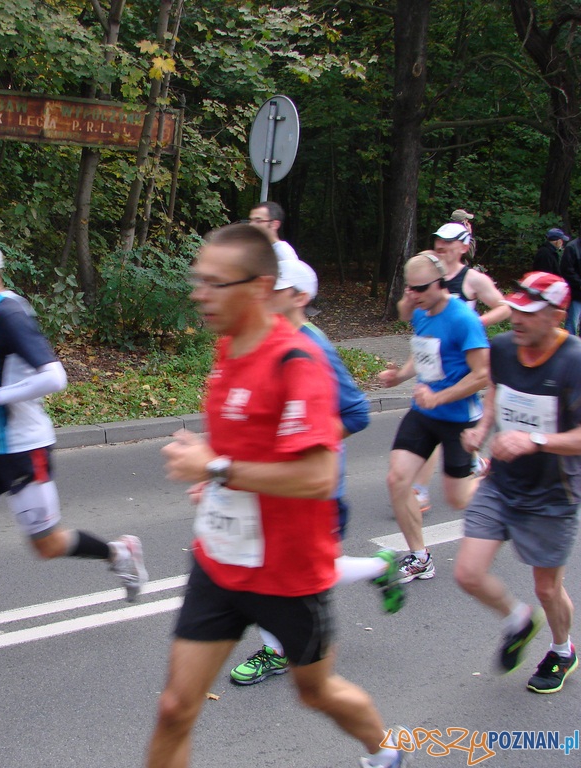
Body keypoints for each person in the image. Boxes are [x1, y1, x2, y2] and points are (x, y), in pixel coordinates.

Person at [146, 224, 407, 768]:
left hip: (288, 575)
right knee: (174, 708)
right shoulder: (226, 350)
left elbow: (316, 475)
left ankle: (385, 752)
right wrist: (214, 468)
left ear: (261, 288)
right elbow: (247, 438)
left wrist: (217, 467)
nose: (199, 293)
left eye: (215, 283)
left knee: (316, 692)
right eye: (199, 280)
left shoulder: (298, 362)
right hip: (220, 563)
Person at [0, 238, 147, 673]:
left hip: (23, 451)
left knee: (47, 545)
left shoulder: (9, 314)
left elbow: (55, 377)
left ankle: (119, 554)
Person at [228, 260, 404, 687]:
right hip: (278, 481)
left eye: (279, 290)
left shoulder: (314, 347)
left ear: (300, 297)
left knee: (283, 572)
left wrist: (301, 448)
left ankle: (279, 651)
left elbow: (356, 412)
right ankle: (379, 568)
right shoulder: (269, 338)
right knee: (285, 567)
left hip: (311, 486)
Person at [456, 271, 580, 694]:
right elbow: (495, 390)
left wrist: (534, 440)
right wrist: (482, 428)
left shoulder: (574, 362)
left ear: (558, 316)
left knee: (547, 586)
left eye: (530, 312)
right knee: (468, 572)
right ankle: (519, 620)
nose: (518, 318)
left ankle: (563, 651)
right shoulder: (505, 346)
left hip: (553, 493)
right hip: (503, 481)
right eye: (516, 308)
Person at [381, 252, 490, 583]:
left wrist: (438, 396)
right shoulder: (423, 312)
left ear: (441, 284)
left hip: (458, 417)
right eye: (409, 288)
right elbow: (423, 353)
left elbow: (482, 374)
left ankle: (495, 481)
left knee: (458, 499)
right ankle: (420, 556)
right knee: (397, 480)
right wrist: (401, 377)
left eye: (419, 288)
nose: (413, 295)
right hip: (424, 414)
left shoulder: (463, 319)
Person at [398, 222, 508, 514]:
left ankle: (481, 475)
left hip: (463, 356)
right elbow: (410, 321)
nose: (441, 246)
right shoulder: (427, 274)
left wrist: (476, 324)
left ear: (463, 246)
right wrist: (399, 375)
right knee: (429, 425)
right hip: (435, 359)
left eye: (448, 242)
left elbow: (504, 307)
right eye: (438, 241)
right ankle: (420, 490)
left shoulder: (472, 278)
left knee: (449, 428)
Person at [558, 233, 581, 334]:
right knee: (572, 323)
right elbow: (567, 270)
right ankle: (568, 347)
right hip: (575, 293)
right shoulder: (572, 247)